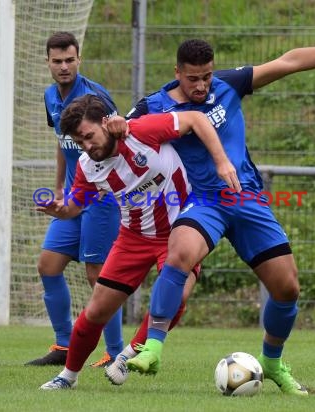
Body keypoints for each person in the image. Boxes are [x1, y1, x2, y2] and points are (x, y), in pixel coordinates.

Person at [123, 23, 315, 395]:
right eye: (193, 78)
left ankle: (272, 362)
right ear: (177, 73)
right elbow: (117, 137)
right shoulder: (153, 106)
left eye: (206, 76)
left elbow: (288, 62)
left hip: (246, 199)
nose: (201, 85)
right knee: (179, 254)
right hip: (203, 201)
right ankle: (153, 348)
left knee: (287, 288)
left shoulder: (228, 85)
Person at [37, 94, 240, 390]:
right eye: (80, 142)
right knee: (96, 312)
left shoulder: (142, 131)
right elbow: (75, 206)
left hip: (181, 230)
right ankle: (67, 376)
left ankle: (128, 353)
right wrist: (61, 210)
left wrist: (222, 162)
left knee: (179, 295)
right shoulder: (87, 166)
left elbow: (196, 119)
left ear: (106, 124)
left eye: (89, 136)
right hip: (133, 238)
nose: (87, 146)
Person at [25, 32, 123, 367]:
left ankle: (115, 352)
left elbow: (120, 143)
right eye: (57, 61)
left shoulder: (96, 98)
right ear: (48, 62)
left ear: (79, 59)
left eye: (70, 60)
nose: (64, 67)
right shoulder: (50, 96)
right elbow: (62, 142)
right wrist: (59, 188)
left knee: (98, 275)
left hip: (101, 199)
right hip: (73, 197)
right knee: (48, 266)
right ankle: (64, 345)